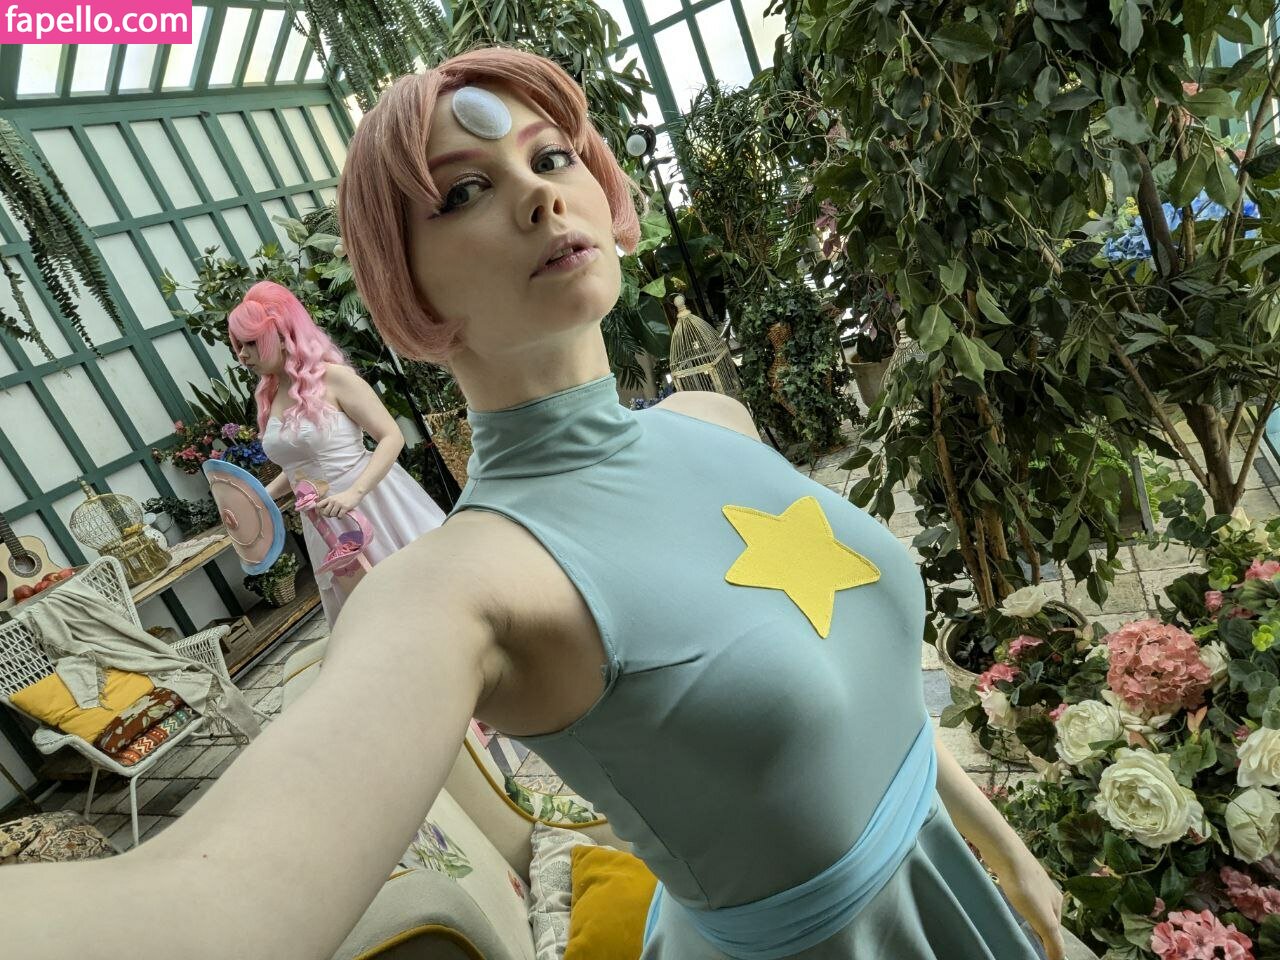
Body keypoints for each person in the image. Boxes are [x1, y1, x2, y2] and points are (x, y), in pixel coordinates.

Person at [1, 48, 1065, 960]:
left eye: (552, 157)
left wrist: (1004, 848)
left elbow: (869, 692)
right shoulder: (465, 584)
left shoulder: (714, 420)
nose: (539, 195)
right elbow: (214, 903)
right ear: (404, 283)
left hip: (962, 898)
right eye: (463, 191)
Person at [228, 280, 447, 626]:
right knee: (370, 618)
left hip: (372, 503)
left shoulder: (335, 379)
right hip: (323, 521)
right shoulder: (269, 396)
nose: (242, 355)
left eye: (251, 343)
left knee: (422, 597)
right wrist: (258, 500)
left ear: (283, 336)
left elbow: (391, 436)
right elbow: (299, 468)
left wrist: (354, 493)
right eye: (239, 345)